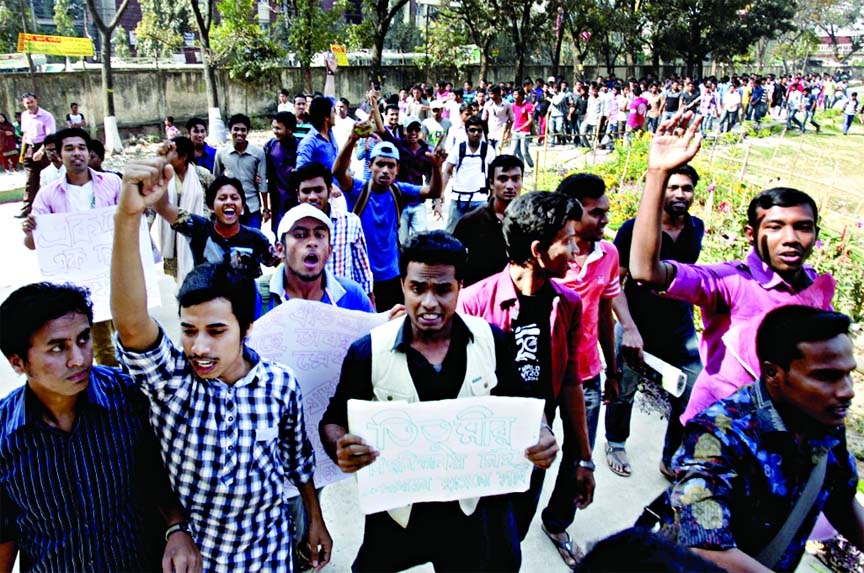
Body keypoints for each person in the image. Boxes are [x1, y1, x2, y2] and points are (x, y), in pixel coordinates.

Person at [111, 158, 333, 571]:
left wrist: (315, 519)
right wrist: (127, 219)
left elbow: (298, 459)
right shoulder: (173, 383)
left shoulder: (279, 385)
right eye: (188, 331)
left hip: (270, 554)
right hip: (199, 559)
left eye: (216, 331)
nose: (198, 347)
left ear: (246, 329)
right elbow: (131, 322)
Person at [319, 231, 560, 572]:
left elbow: (526, 403)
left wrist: (543, 432)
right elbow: (332, 419)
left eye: (443, 289)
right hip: (398, 511)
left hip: (472, 512)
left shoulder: (492, 342)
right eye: (418, 288)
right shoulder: (368, 351)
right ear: (403, 286)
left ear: (460, 286)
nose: (429, 303)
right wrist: (341, 447)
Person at [629, 111, 835, 425]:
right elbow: (646, 272)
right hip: (720, 431)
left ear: (816, 234)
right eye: (775, 227)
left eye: (803, 227)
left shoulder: (816, 289)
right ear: (751, 234)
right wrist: (657, 173)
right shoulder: (731, 281)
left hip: (783, 430)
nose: (791, 239)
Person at [0, 282, 202, 573]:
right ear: (18, 363)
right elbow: (5, 530)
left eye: (83, 339)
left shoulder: (129, 397)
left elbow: (158, 476)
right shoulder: (5, 436)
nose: (79, 359)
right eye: (58, 348)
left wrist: (177, 528)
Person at [655, 305, 861, 573]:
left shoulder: (824, 420)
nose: (847, 391)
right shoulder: (717, 433)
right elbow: (705, 549)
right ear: (773, 373)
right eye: (826, 376)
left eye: (848, 374)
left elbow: (841, 501)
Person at [458, 193, 596, 567]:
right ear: (537, 251)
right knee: (470, 547)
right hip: (480, 457)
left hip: (533, 458)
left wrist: (583, 459)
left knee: (510, 542)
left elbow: (571, 382)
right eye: (568, 241)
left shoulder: (568, 304)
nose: (576, 251)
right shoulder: (472, 304)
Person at [605, 163, 704, 479]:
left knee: (692, 393)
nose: (680, 194)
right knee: (624, 391)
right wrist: (628, 328)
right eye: (672, 187)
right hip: (637, 325)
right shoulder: (633, 229)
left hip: (680, 328)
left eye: (686, 188)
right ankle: (615, 443)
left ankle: (672, 456)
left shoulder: (696, 228)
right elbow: (613, 283)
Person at [21, 128, 122, 367]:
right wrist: (30, 231)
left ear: (88, 152)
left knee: (129, 335)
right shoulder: (47, 195)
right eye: (69, 149)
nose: (76, 153)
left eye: (81, 148)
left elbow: (132, 224)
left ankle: (134, 383)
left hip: (115, 274)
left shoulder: (112, 183)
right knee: (102, 345)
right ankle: (113, 385)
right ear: (59, 155)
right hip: (81, 282)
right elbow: (33, 245)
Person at [333, 131, 446, 312]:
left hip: (391, 275)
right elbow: (338, 172)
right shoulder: (358, 190)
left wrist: (436, 167)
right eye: (380, 164)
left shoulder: (399, 191)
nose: (385, 170)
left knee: (394, 320)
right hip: (362, 275)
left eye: (391, 165)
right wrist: (353, 139)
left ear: (397, 170)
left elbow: (434, 192)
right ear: (370, 166)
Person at [152, 174, 279, 283]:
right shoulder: (198, 228)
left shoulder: (256, 237)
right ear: (211, 207)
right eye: (222, 198)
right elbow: (163, 207)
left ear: (242, 208)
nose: (229, 202)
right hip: (207, 301)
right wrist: (161, 175)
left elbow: (279, 262)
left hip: (247, 302)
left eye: (234, 198)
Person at [258, 203, 373, 314]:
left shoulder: (353, 296)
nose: (312, 243)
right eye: (299, 235)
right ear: (280, 249)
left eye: (319, 235)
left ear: (329, 250)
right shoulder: (255, 296)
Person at [291, 161, 373, 300]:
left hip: (343, 303)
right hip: (305, 304)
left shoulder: (349, 222)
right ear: (298, 195)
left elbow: (362, 268)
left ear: (329, 191)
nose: (312, 197)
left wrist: (368, 300)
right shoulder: (290, 227)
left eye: (318, 190)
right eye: (306, 191)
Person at [453, 154, 523, 286]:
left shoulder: (530, 221)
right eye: (503, 179)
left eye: (515, 179)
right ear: (491, 183)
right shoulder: (471, 222)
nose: (510, 186)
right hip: (478, 293)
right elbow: (454, 261)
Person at [152, 137, 209, 285]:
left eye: (172, 152)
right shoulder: (163, 176)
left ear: (183, 157)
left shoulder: (202, 175)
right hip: (172, 233)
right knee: (179, 276)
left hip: (198, 232)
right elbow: (154, 202)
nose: (167, 155)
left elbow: (215, 196)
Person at [441, 115, 496, 233]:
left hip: (479, 199)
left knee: (481, 234)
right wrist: (440, 193)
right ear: (466, 131)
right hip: (458, 199)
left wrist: (493, 195)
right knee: (451, 233)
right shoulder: (458, 148)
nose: (476, 133)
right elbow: (447, 171)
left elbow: (494, 174)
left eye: (479, 130)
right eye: (472, 130)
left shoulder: (488, 150)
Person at [214, 113, 268, 229]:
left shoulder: (258, 153)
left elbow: (263, 183)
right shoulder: (222, 153)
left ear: (247, 132)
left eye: (243, 130)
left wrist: (266, 209)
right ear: (230, 130)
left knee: (254, 237)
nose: (239, 133)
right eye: (236, 129)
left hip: (252, 206)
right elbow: (216, 180)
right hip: (230, 206)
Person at [17, 92, 56, 218]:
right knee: (30, 180)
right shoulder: (24, 116)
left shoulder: (46, 116)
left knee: (47, 179)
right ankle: (27, 209)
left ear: (36, 101)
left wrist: (41, 151)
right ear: (23, 104)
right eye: (27, 103)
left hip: (43, 148)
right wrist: (23, 153)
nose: (30, 105)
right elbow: (25, 134)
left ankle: (50, 207)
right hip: (29, 148)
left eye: (32, 102)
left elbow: (50, 137)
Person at [264, 111, 298, 233]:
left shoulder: (299, 146)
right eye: (273, 127)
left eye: (278, 128)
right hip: (276, 197)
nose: (275, 131)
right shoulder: (270, 145)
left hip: (294, 197)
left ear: (289, 129)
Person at [509, 88, 535, 170]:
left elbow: (530, 120)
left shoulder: (528, 105)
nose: (514, 96)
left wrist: (521, 128)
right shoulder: (513, 105)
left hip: (525, 132)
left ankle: (532, 166)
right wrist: (510, 130)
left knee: (524, 152)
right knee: (512, 152)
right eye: (513, 95)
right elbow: (512, 118)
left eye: (516, 95)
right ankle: (518, 168)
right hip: (515, 131)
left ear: (521, 96)